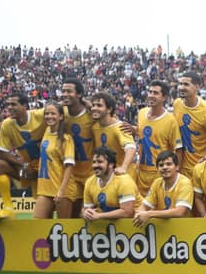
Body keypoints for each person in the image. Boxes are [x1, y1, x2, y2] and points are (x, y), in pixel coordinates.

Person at [0, 92, 45, 219]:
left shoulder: (41, 115)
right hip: (28, 169)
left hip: (48, 170)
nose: (9, 107)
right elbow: (2, 152)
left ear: (25, 105)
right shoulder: (7, 124)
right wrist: (24, 165)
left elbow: (61, 110)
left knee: (45, 213)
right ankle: (8, 208)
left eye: (14, 104)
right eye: (8, 104)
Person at [131, 80, 183, 196]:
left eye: (155, 93)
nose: (151, 95)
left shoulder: (170, 121)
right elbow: (143, 134)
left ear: (164, 97)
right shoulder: (141, 113)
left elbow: (178, 149)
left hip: (159, 173)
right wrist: (134, 130)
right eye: (150, 92)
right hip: (141, 172)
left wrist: (175, 171)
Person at [34, 102, 76, 219]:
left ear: (61, 116)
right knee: (37, 225)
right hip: (44, 189)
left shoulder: (66, 139)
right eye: (47, 113)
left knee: (63, 229)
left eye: (53, 113)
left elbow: (69, 166)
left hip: (62, 189)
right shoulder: (46, 131)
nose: (49, 116)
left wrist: (61, 191)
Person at [61, 77, 95, 217]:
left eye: (69, 91)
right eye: (63, 91)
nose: (65, 94)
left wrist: (91, 105)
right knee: (71, 215)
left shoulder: (92, 114)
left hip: (91, 173)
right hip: (71, 174)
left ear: (79, 94)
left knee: (90, 216)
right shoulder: (61, 113)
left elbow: (110, 120)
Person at [173, 71, 206, 178]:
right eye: (181, 84)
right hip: (180, 168)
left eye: (186, 84)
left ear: (196, 87)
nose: (182, 87)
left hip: (200, 169)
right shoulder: (177, 104)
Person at [133, 150, 194, 226]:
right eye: (161, 165)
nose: (165, 167)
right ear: (157, 169)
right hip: (163, 229)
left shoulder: (185, 183)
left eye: (168, 164)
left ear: (177, 167)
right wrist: (139, 214)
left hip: (184, 228)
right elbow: (144, 206)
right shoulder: (157, 183)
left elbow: (180, 212)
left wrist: (149, 214)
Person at [82, 146, 137, 221]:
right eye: (94, 162)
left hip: (133, 226)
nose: (95, 165)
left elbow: (127, 212)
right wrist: (85, 213)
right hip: (107, 228)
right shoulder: (89, 182)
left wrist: (99, 216)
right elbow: (87, 210)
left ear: (111, 164)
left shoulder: (124, 181)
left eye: (100, 162)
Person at [90, 91, 136, 176]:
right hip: (106, 175)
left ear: (109, 109)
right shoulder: (94, 127)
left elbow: (131, 148)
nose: (94, 108)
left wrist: (123, 167)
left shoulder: (120, 127)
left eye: (99, 105)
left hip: (122, 176)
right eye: (93, 105)